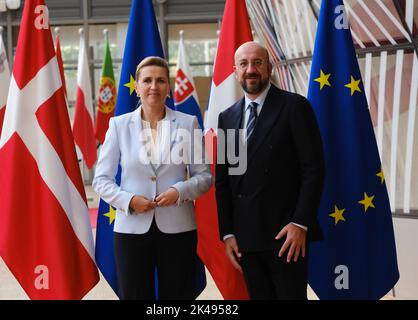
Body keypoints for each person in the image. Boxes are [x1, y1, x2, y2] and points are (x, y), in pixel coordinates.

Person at [93, 56, 213, 300]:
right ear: (136, 86)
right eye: (147, 80)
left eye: (160, 80)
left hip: (178, 228)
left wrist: (180, 191)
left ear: (168, 87)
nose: (153, 86)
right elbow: (101, 180)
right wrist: (128, 200)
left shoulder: (188, 123)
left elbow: (204, 176)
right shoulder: (118, 125)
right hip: (131, 230)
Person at [215, 41, 325, 300]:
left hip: (287, 236)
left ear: (269, 67)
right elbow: (224, 181)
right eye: (243, 64)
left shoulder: (294, 106)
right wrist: (228, 233)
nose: (250, 69)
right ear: (235, 71)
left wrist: (300, 223)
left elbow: (314, 169)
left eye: (257, 62)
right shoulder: (227, 117)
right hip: (246, 239)